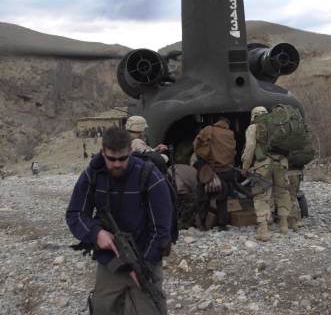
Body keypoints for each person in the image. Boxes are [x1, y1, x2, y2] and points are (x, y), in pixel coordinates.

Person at [66, 127, 173, 315]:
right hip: (109, 260)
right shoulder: (93, 174)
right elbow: (75, 214)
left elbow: (162, 230)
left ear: (130, 152)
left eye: (122, 159)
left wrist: (142, 266)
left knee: (150, 308)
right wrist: (96, 233)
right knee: (103, 308)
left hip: (145, 257)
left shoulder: (149, 176)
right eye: (111, 159)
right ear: (103, 153)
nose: (117, 164)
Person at [242, 106, 291, 241]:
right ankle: (283, 225)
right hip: (282, 163)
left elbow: (250, 147)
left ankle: (263, 230)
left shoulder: (253, 127)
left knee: (261, 195)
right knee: (282, 192)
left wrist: (245, 167)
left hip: (263, 165)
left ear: (253, 116)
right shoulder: (279, 124)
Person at [193, 117, 237, 231]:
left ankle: (202, 224)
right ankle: (222, 225)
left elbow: (196, 145)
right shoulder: (230, 134)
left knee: (203, 198)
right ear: (227, 125)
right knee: (222, 200)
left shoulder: (209, 129)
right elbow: (232, 153)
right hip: (225, 171)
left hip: (208, 169)